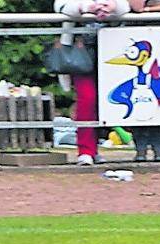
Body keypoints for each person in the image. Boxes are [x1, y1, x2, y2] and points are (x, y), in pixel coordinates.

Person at [55, 0, 129, 165]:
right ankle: (85, 151)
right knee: (87, 100)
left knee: (105, 102)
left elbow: (126, 7)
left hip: (114, 54)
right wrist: (86, 8)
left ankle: (94, 148)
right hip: (80, 54)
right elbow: (61, 6)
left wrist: (113, 7)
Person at [127, 0, 160, 162]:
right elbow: (137, 7)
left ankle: (159, 149)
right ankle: (140, 149)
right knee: (138, 100)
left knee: (159, 98)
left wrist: (148, 9)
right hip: (135, 39)